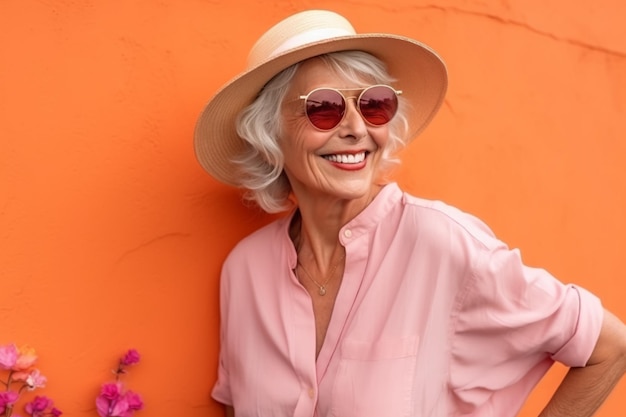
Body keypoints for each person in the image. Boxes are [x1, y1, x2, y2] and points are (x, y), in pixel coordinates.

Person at [193, 9, 626, 417]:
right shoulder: (244, 271)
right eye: (323, 107)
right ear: (269, 133)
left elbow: (609, 346)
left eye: (373, 103)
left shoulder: (444, 243)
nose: (357, 128)